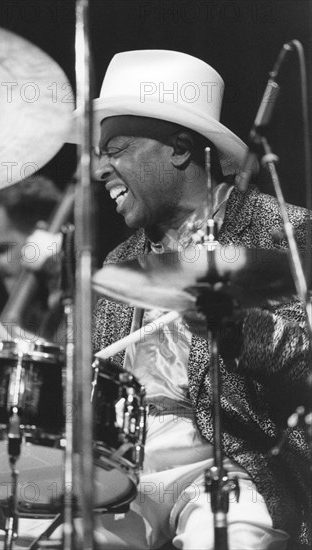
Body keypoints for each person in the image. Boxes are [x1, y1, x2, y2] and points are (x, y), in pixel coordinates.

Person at [90, 50, 311, 550]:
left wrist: (235, 327)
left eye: (116, 148)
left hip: (234, 459)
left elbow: (306, 369)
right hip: (124, 464)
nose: (100, 170)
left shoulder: (285, 231)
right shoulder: (118, 260)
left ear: (181, 149)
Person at [0, 173, 72, 344]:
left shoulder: (99, 300)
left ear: (39, 235)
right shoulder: (28, 316)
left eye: (1, 250)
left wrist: (57, 275)